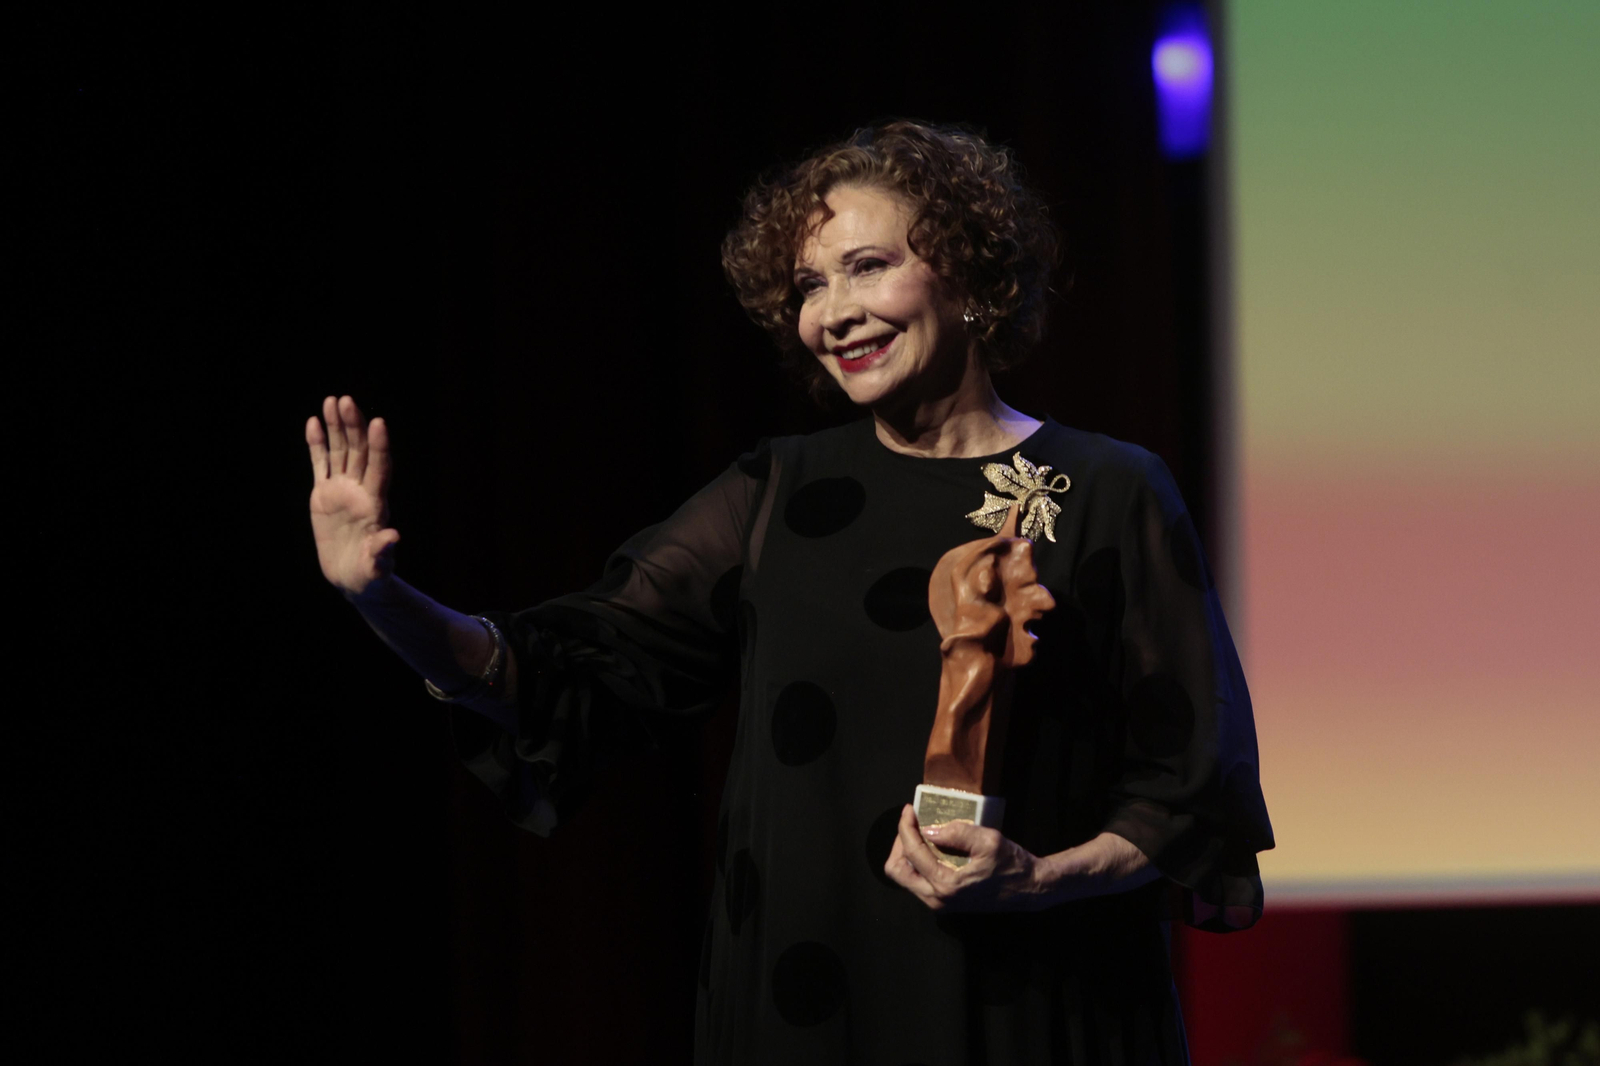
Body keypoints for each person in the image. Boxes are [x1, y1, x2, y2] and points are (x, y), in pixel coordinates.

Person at [307, 120, 1273, 1065]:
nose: (832, 313)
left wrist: (1040, 879)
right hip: (808, 1008)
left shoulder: (1108, 490)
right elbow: (562, 671)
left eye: (867, 267)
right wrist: (383, 600)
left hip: (1036, 1006)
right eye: (810, 284)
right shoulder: (776, 495)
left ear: (970, 275)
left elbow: (1192, 794)